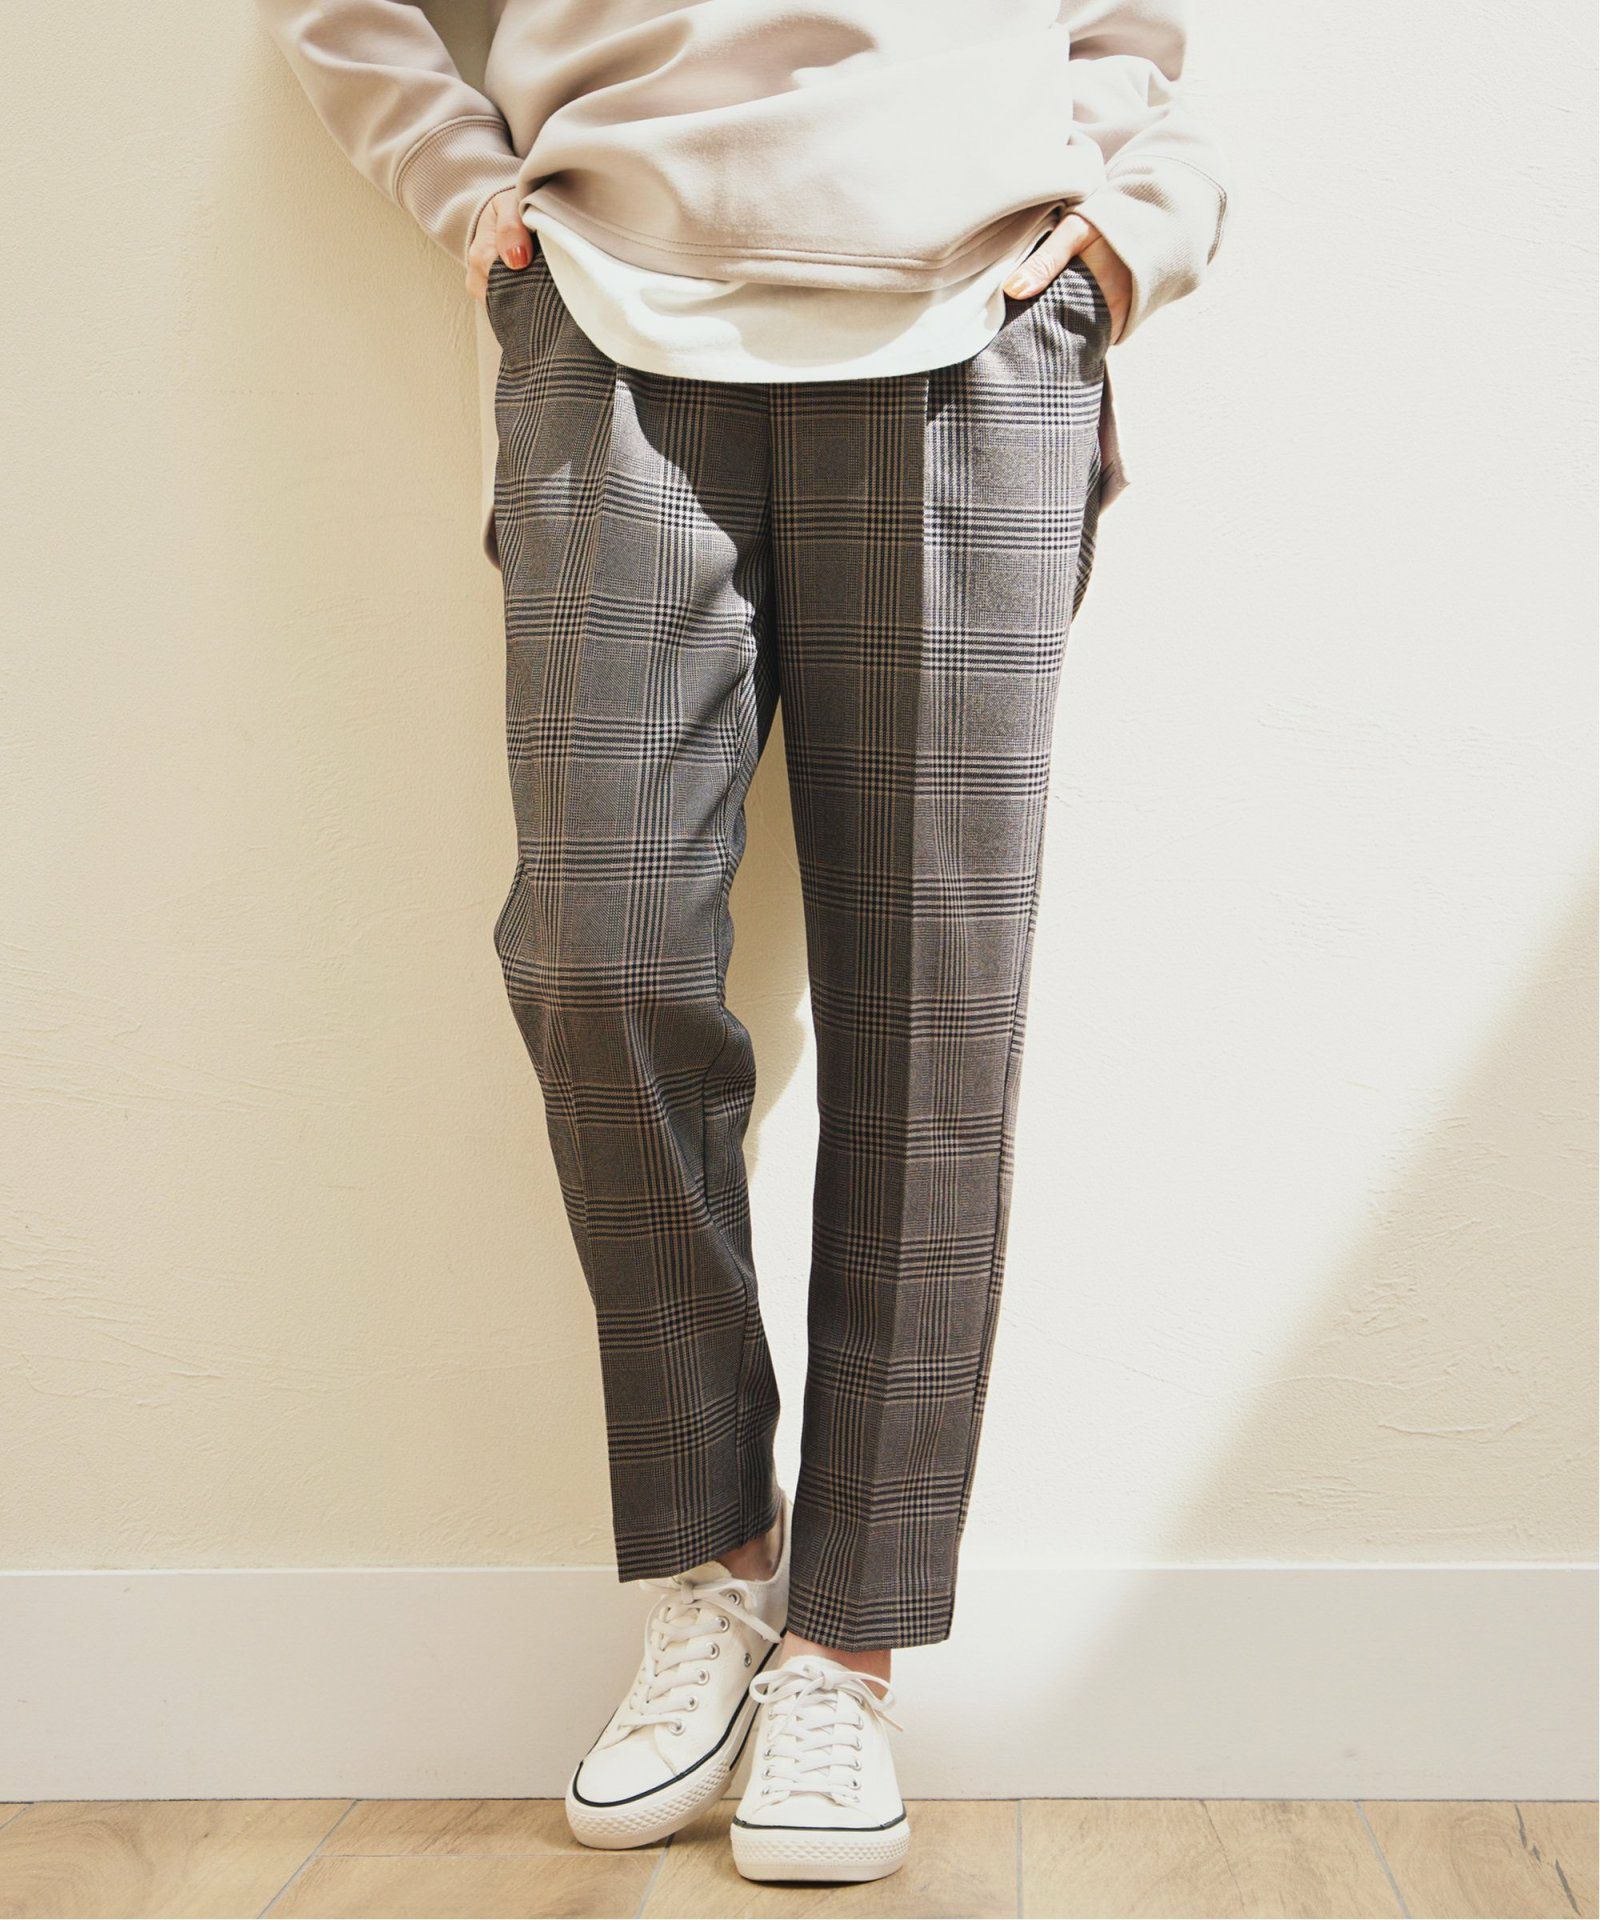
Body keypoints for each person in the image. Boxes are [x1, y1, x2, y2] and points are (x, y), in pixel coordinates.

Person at [255, 0, 1229, 1885]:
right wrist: (465, 189)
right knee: (596, 960)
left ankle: (847, 1650)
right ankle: (720, 1560)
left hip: (978, 328)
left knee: (933, 1014)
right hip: (612, 322)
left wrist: (1122, 240)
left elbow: (1136, 32)